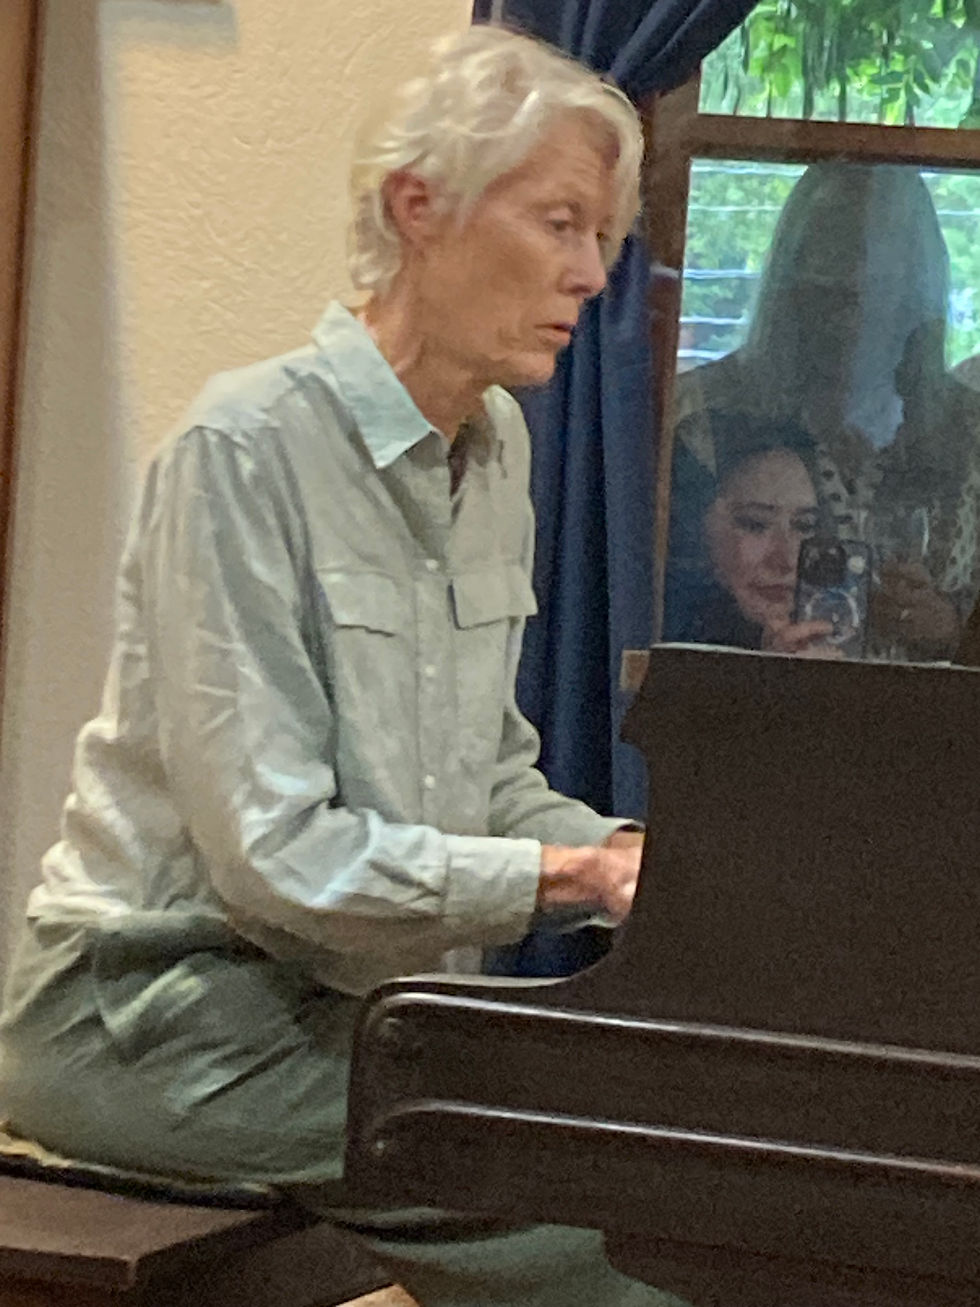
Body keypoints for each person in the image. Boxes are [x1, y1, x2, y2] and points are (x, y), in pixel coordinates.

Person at [0, 27, 684, 1307]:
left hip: (352, 1015)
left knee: (668, 1165)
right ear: (416, 207)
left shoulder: (496, 451)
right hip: (148, 1018)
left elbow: (490, 780)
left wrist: (648, 860)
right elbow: (276, 855)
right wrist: (572, 878)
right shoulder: (242, 447)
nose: (592, 273)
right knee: (615, 1234)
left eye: (601, 235)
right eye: (558, 223)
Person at [675, 162, 980, 661]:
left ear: (919, 283)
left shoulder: (972, 428)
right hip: (739, 705)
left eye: (880, 266)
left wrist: (949, 627)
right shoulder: (701, 415)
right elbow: (658, 608)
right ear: (792, 273)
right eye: (832, 264)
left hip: (933, 711)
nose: (854, 286)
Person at [663, 411, 836, 655]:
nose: (786, 559)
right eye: (755, 524)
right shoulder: (664, 641)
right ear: (701, 530)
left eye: (804, 526)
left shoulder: (841, 635)